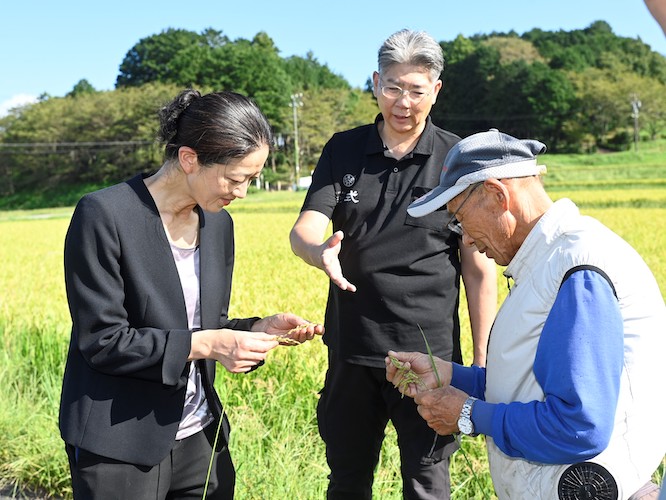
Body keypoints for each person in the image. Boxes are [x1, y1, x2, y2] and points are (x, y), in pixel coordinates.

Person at [59, 89, 323, 500]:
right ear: (189, 159)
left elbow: (201, 326)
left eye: (251, 180)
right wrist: (211, 342)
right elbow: (103, 341)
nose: (243, 193)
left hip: (201, 438)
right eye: (235, 179)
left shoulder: (219, 226)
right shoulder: (105, 215)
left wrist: (255, 329)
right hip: (118, 444)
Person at [387, 129, 666, 500]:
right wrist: (450, 375)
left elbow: (579, 426)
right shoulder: (548, 263)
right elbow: (528, 382)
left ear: (496, 195)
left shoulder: (577, 268)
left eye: (459, 218)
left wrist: (469, 414)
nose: (465, 239)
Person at [289, 29, 498, 499]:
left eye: (416, 91)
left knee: (426, 482)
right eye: (392, 87)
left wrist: (483, 364)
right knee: (347, 479)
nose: (403, 102)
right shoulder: (344, 148)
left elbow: (477, 267)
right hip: (352, 350)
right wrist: (318, 253)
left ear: (436, 90)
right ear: (376, 82)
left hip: (429, 357)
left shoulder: (458, 159)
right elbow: (304, 230)